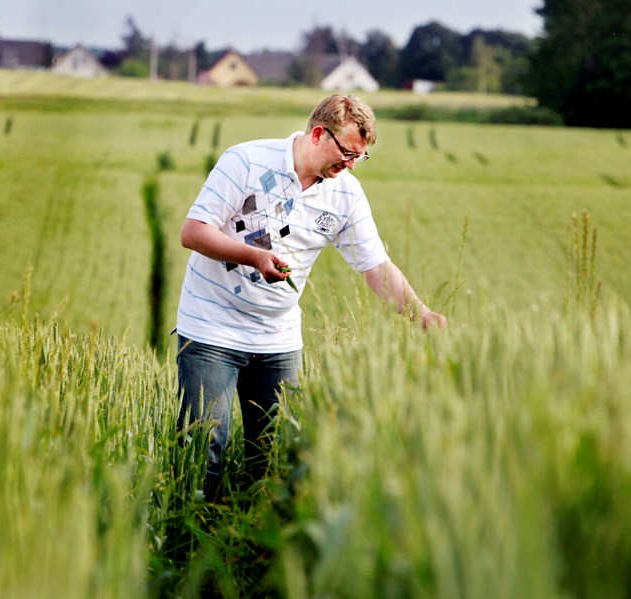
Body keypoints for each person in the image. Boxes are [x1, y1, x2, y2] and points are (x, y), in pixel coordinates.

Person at [175, 93, 447, 503]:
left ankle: (255, 553)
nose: (352, 165)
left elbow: (375, 267)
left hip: (279, 340)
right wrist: (253, 255)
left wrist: (420, 313)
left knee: (274, 459)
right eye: (348, 153)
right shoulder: (246, 161)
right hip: (211, 328)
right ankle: (188, 549)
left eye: (361, 157)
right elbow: (193, 232)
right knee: (201, 454)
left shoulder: (346, 195)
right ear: (319, 133)